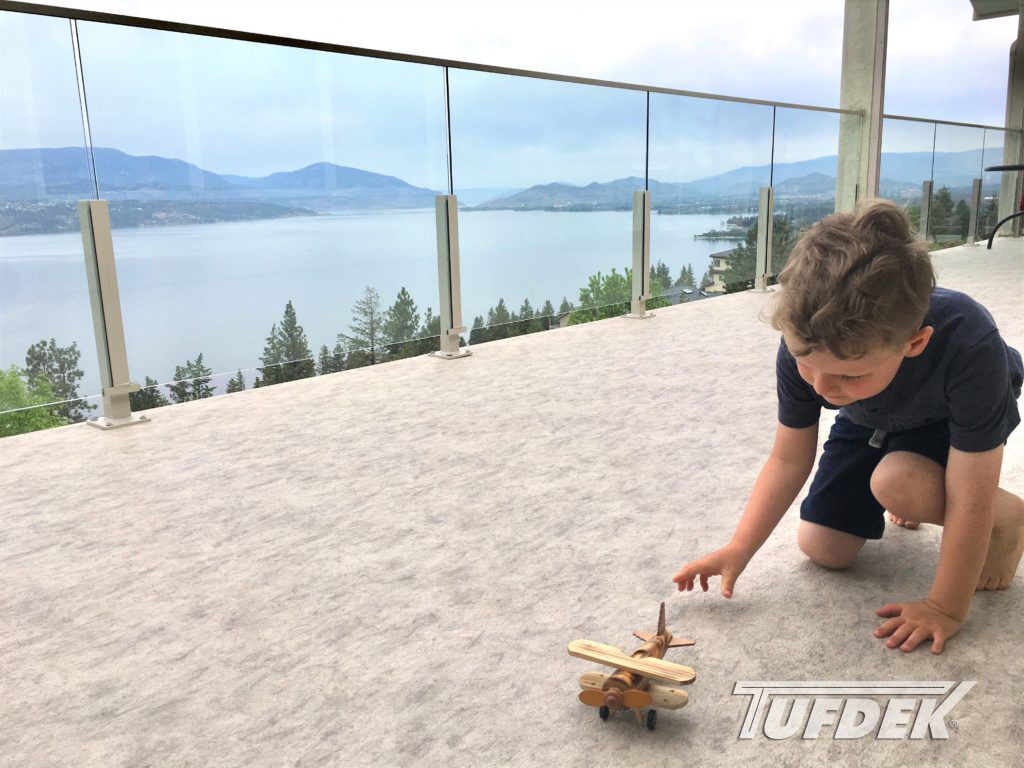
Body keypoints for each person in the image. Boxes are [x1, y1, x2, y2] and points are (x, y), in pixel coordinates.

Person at [672, 199, 1024, 655]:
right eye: (806, 364)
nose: (823, 388)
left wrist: (945, 607)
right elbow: (787, 458)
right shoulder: (808, 345)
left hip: (945, 417)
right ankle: (908, 476)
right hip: (870, 417)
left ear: (914, 342)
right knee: (824, 547)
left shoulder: (971, 345)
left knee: (898, 483)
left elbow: (970, 497)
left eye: (849, 373)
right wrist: (740, 548)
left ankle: (1011, 516)